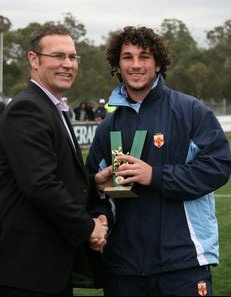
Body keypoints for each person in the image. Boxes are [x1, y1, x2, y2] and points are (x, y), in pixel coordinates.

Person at [86, 25, 231, 296]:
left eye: (144, 56)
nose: (136, 64)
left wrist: (156, 175)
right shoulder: (107, 127)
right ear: (117, 64)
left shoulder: (189, 111)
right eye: (127, 57)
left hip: (182, 264)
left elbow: (218, 167)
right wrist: (100, 212)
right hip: (123, 270)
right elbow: (95, 195)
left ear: (158, 63)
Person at [0, 24, 108, 296]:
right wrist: (88, 228)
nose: (68, 64)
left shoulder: (53, 107)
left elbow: (58, 175)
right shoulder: (27, 109)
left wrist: (94, 182)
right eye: (58, 56)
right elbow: (41, 185)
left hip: (49, 267)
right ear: (33, 60)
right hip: (27, 272)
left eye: (73, 57)